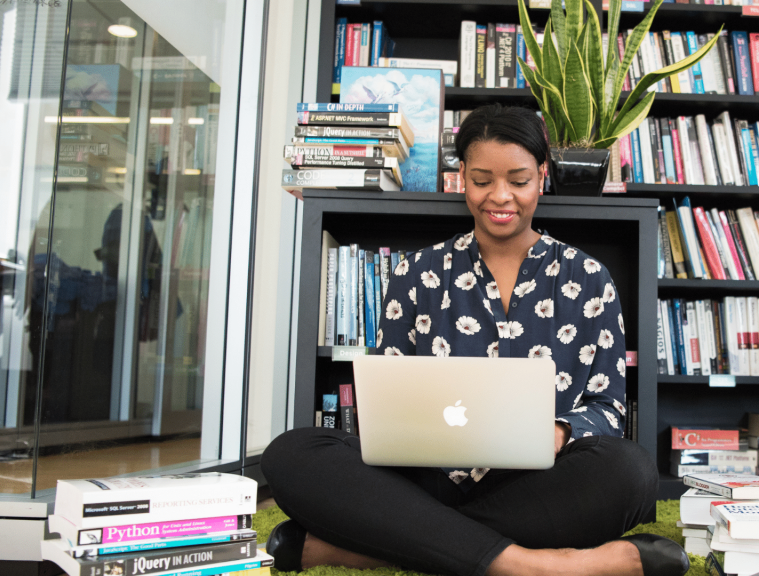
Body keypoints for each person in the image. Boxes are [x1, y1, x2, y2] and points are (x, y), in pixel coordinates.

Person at [261, 104, 689, 576]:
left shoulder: (588, 277)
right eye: (482, 180)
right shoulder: (417, 273)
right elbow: (386, 392)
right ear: (461, 175)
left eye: (519, 180)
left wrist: (559, 432)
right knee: (291, 454)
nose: (500, 196)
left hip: (538, 485)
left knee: (630, 472)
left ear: (542, 177)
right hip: (423, 481)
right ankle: (530, 564)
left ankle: (372, 547)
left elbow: (609, 405)